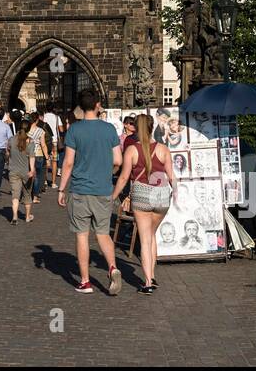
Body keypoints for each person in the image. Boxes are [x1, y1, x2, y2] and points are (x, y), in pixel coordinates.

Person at [57, 89, 124, 296]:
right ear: (97, 105)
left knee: (82, 235)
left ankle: (85, 282)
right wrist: (107, 172)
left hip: (80, 190)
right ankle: (112, 267)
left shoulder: (75, 130)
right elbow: (118, 161)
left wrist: (61, 189)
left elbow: (68, 163)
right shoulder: (109, 129)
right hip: (103, 189)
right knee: (103, 234)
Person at [112, 112, 177, 293]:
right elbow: (171, 177)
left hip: (142, 196)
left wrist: (113, 195)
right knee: (152, 235)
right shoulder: (163, 149)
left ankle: (148, 282)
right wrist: (178, 194)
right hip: (162, 197)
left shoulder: (132, 150)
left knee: (145, 239)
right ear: (152, 128)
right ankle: (153, 274)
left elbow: (124, 177)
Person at [6, 111, 36, 223]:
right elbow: (32, 157)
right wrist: (32, 169)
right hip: (26, 171)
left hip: (13, 171)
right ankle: (27, 217)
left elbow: (7, 153)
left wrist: (8, 159)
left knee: (15, 194)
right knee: (27, 194)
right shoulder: (30, 142)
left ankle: (14, 217)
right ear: (28, 129)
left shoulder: (12, 139)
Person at [27, 112, 50, 203]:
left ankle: (27, 194)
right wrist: (47, 158)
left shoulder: (26, 130)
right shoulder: (41, 131)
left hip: (28, 154)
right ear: (37, 120)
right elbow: (43, 145)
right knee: (37, 176)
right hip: (38, 154)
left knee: (28, 175)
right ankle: (35, 197)